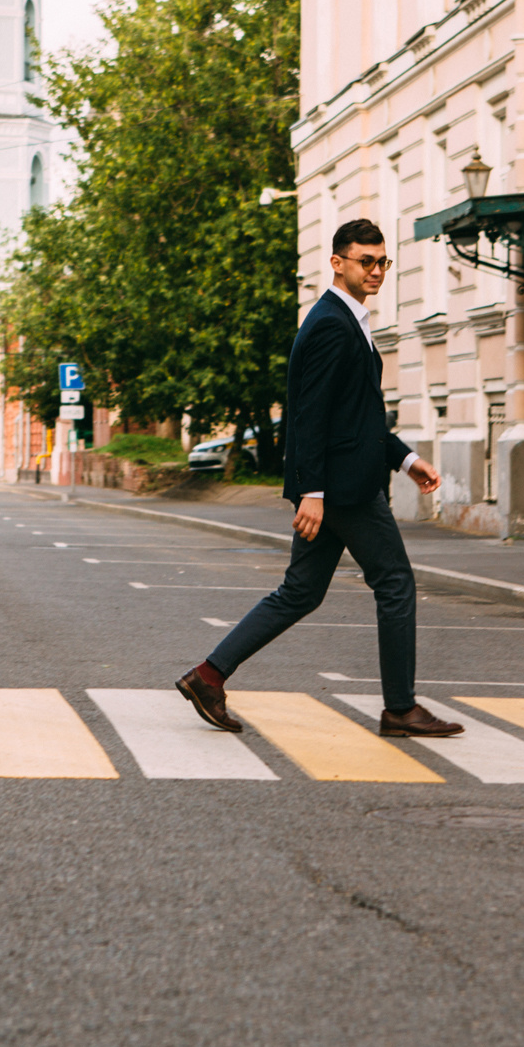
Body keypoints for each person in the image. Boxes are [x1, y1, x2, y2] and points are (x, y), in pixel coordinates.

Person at [177, 219, 464, 739]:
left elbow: (357, 415)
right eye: (366, 261)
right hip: (343, 489)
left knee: (300, 592)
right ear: (338, 263)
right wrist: (312, 492)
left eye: (383, 262)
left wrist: (403, 458)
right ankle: (400, 709)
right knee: (395, 583)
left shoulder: (348, 319)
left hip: (339, 482)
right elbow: (310, 414)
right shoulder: (332, 322)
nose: (376, 271)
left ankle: (208, 676)